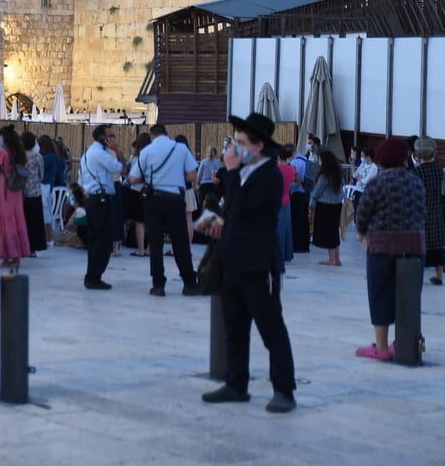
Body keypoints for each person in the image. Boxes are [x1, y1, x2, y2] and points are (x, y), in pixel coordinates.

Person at [200, 112, 296, 413]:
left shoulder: (270, 175)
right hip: (232, 260)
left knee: (271, 329)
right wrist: (214, 223)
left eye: (241, 142)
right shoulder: (244, 173)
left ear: (259, 146)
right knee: (235, 327)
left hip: (258, 265)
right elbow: (235, 214)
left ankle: (284, 390)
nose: (234, 148)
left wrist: (228, 173)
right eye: (234, 142)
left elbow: (244, 209)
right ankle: (236, 383)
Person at [354, 136, 426, 362]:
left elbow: (362, 215)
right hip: (414, 246)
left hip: (382, 247)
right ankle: (403, 344)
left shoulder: (377, 183)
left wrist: (361, 231)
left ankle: (382, 348)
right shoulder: (416, 182)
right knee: (408, 296)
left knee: (380, 294)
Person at [129, 124, 201, 297]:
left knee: (155, 243)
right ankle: (189, 283)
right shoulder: (181, 148)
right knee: (180, 242)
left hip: (154, 199)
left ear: (152, 137)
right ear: (167, 134)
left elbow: (132, 179)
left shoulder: (146, 152)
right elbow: (192, 175)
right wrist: (176, 177)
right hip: (175, 198)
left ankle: (158, 285)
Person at [79, 125, 124, 289]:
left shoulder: (89, 152)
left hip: (94, 198)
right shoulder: (99, 153)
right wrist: (118, 151)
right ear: (101, 138)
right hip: (100, 199)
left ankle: (93, 275)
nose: (113, 139)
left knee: (97, 239)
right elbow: (119, 168)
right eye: (111, 136)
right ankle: (93, 277)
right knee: (101, 240)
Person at [0, 126, 31, 268]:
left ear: (3, 137)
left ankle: (8, 256)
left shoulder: (2, 152)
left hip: (5, 189)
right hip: (17, 190)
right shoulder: (20, 152)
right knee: (17, 220)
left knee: (5, 221)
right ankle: (16, 256)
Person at [411, 137, 445, 285]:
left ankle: (418, 274)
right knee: (437, 245)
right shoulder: (439, 170)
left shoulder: (417, 172)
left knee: (420, 245)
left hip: (421, 212)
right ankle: (439, 275)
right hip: (436, 211)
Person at [310, 150, 345, 266]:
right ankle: (337, 258)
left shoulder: (325, 175)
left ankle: (332, 259)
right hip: (336, 205)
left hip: (325, 205)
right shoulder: (338, 173)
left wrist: (312, 199)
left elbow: (316, 192)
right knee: (334, 231)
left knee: (329, 232)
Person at [20, 131, 47, 253]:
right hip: (35, 192)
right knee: (34, 223)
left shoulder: (18, 156)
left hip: (20, 193)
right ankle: (33, 248)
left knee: (22, 221)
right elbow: (42, 175)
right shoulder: (38, 157)